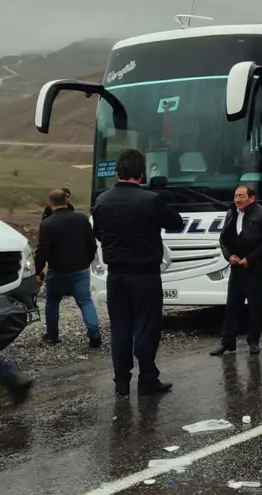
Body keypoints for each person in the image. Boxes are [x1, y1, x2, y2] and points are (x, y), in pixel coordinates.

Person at [92, 149, 183, 397]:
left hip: (116, 275)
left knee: (120, 328)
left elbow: (99, 233)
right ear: (141, 173)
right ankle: (147, 379)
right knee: (146, 327)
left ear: (119, 171)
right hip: (145, 274)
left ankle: (121, 381)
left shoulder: (102, 201)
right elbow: (176, 223)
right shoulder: (151, 200)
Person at [210, 185, 262, 357]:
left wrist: (251, 258)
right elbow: (223, 238)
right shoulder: (231, 213)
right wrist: (229, 256)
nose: (237, 199)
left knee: (255, 307)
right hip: (237, 269)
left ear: (251, 198)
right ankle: (227, 342)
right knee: (232, 306)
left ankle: (253, 341)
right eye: (235, 196)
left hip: (256, 269)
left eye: (241, 196)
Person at [36, 188, 101, 347]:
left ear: (50, 203)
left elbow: (42, 250)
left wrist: (38, 271)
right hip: (80, 269)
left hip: (57, 270)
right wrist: (86, 261)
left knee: (52, 302)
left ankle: (52, 334)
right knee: (85, 301)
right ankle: (94, 333)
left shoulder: (47, 223)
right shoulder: (81, 219)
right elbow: (91, 244)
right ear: (67, 200)